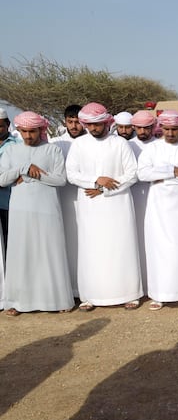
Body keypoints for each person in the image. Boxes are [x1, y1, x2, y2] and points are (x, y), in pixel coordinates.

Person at [65, 102, 142, 311]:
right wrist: (96, 181)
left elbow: (132, 174)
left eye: (98, 124)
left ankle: (129, 293)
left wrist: (106, 190)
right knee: (92, 248)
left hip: (117, 204)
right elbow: (71, 174)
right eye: (90, 125)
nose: (94, 129)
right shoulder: (79, 145)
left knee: (121, 246)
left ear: (107, 122)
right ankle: (90, 295)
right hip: (90, 205)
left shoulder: (120, 144)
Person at [0, 112, 73, 316]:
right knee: (21, 252)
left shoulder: (53, 150)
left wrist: (37, 174)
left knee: (48, 251)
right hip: (20, 209)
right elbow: (2, 179)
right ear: (19, 130)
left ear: (41, 130)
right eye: (24, 132)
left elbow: (60, 180)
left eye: (32, 132)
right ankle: (17, 302)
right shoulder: (11, 151)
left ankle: (57, 299)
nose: (28, 136)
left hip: (47, 208)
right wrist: (23, 169)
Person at [136, 110, 178, 310]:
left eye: (174, 129)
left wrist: (160, 175)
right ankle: (160, 294)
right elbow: (143, 173)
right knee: (160, 249)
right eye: (166, 129)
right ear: (161, 129)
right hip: (159, 208)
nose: (170, 133)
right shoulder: (152, 148)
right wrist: (172, 171)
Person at [52, 104, 86, 298]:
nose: (74, 126)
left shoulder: (91, 142)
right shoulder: (56, 143)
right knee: (68, 244)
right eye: (70, 122)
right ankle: (70, 289)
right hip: (64, 200)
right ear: (64, 122)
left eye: (78, 122)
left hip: (88, 199)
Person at [129, 110, 157, 293]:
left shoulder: (159, 145)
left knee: (154, 241)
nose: (143, 131)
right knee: (137, 240)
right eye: (139, 128)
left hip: (156, 199)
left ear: (153, 127)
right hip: (135, 196)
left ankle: (153, 284)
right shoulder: (128, 145)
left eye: (147, 128)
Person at [0, 107, 21, 248]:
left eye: (0, 126)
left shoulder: (17, 146)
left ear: (8, 125)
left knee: (9, 242)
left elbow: (19, 173)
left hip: (8, 203)